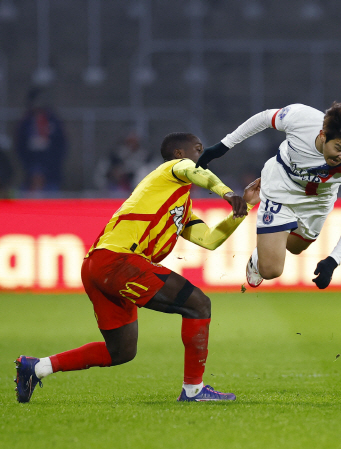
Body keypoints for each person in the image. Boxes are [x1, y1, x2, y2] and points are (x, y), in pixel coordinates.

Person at [15, 132, 261, 403]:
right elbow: (191, 170)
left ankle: (36, 367)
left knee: (121, 351)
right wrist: (227, 193)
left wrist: (245, 206)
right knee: (198, 304)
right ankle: (193, 389)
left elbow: (210, 240)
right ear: (179, 154)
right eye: (197, 149)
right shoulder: (170, 169)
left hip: (99, 265)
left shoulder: (181, 205)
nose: (201, 154)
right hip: (118, 261)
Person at [196, 102, 341, 290]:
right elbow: (264, 118)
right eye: (338, 148)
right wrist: (223, 146)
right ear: (322, 135)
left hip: (318, 200)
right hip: (280, 186)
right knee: (270, 270)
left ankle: (270, 240)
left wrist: (333, 260)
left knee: (296, 248)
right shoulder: (301, 119)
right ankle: (262, 255)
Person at [14, 88, 67, 192]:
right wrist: (29, 165)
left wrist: (54, 162)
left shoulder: (53, 121)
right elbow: (20, 145)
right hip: (31, 169)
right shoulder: (26, 122)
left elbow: (62, 144)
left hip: (51, 170)